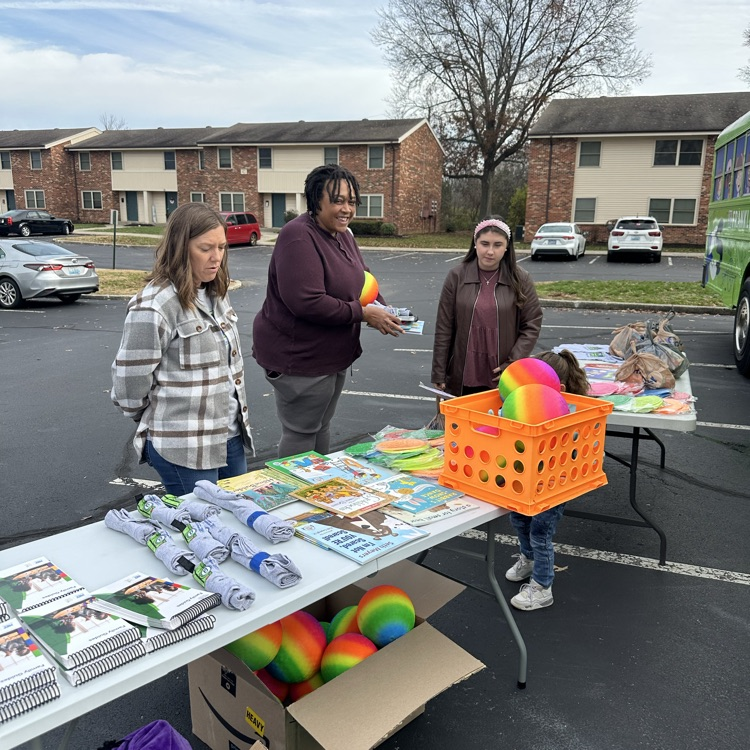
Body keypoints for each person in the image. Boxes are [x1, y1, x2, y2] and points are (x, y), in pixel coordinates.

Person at [253, 164, 403, 457]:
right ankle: (295, 492)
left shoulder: (343, 234)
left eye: (351, 201)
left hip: (331, 356)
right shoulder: (298, 236)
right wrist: (362, 314)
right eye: (337, 200)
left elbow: (363, 279)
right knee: (302, 431)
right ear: (315, 201)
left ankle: (317, 488)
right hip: (300, 357)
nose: (346, 208)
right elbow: (306, 301)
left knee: (320, 426)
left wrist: (383, 308)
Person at [111, 203, 253, 496]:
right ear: (180, 248)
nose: (216, 258)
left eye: (222, 248)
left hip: (230, 435)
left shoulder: (216, 292)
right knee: (202, 529)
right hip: (184, 447)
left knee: (237, 518)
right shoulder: (154, 306)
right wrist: (157, 419)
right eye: (206, 248)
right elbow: (128, 386)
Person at [505, 349, 590, 611]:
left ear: (558, 388)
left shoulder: (565, 412)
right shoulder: (527, 405)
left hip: (554, 484)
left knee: (540, 532)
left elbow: (572, 451)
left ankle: (543, 587)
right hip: (528, 479)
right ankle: (528, 559)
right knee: (518, 519)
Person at [431, 218, 543, 397]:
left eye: (498, 245)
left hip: (501, 372)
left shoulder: (520, 279)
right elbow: (444, 327)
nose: (490, 251)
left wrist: (512, 362)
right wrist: (438, 371)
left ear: (507, 247)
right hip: (463, 370)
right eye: (484, 244)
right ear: (475, 243)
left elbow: (532, 324)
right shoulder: (457, 276)